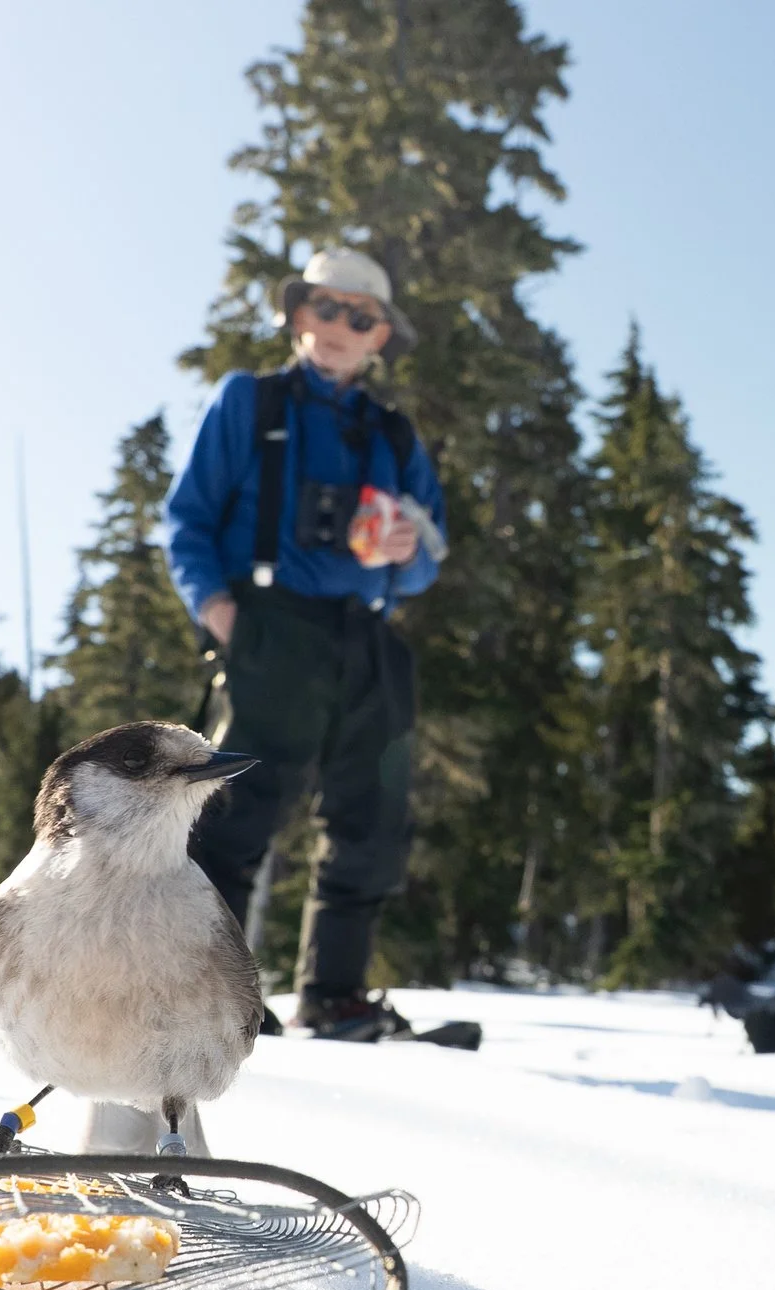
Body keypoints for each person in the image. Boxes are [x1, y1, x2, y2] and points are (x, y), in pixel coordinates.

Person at [163, 247, 447, 1042]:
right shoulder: (250, 403)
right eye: (325, 307)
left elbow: (430, 550)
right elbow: (186, 520)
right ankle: (201, 991)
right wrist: (218, 611)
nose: (338, 328)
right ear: (297, 314)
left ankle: (334, 993)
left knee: (374, 814)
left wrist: (406, 554)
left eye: (360, 318)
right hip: (269, 625)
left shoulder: (393, 434)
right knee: (237, 804)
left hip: (367, 636)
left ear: (381, 335)